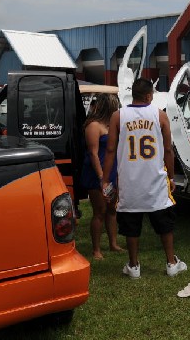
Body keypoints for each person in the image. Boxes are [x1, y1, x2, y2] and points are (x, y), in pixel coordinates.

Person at [102, 78, 187, 279]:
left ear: (133, 95)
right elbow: (168, 150)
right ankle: (171, 263)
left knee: (131, 223)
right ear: (149, 96)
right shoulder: (160, 115)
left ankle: (133, 266)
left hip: (129, 182)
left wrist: (105, 179)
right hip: (155, 180)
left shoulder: (117, 116)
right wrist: (171, 176)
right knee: (164, 222)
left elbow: (111, 149)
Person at [80, 93, 123, 260]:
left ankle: (113, 244)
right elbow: (93, 153)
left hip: (112, 173)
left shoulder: (111, 125)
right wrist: (101, 178)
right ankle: (96, 249)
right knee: (100, 210)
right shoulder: (93, 126)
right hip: (96, 174)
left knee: (112, 209)